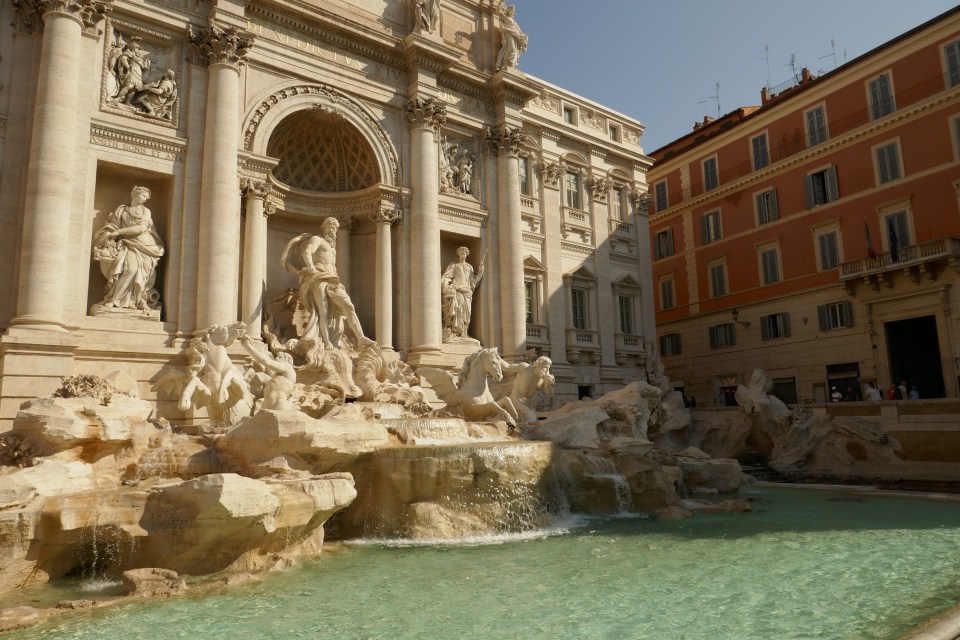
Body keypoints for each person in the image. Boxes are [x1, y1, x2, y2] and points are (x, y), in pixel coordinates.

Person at [281, 218, 373, 351]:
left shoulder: (333, 248)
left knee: (349, 306)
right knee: (323, 312)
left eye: (335, 227)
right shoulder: (317, 239)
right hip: (318, 277)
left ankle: (361, 338)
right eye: (330, 226)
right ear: (323, 227)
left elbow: (333, 267)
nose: (333, 229)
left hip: (333, 280)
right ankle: (327, 342)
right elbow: (306, 252)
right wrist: (311, 265)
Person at [92, 186, 165, 311]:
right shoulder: (121, 210)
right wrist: (110, 234)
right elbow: (112, 225)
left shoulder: (146, 211)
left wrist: (119, 232)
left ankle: (124, 300)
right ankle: (119, 300)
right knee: (126, 269)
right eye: (143, 195)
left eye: (146, 197)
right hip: (126, 243)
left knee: (132, 270)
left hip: (144, 246)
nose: (145, 199)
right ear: (135, 194)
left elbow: (141, 229)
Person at [237, 324, 296, 411]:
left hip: (279, 406)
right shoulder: (277, 377)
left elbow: (267, 362)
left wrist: (247, 346)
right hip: (267, 406)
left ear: (287, 359)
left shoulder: (287, 368)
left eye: (279, 357)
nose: (276, 359)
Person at [441, 246, 484, 342]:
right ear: (458, 254)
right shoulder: (454, 265)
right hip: (457, 290)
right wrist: (446, 286)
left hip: (467, 292)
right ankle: (456, 333)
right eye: (461, 253)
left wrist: (480, 272)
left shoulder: (469, 267)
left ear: (466, 255)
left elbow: (473, 283)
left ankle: (464, 332)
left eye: (464, 253)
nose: (462, 255)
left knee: (467, 313)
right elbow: (447, 276)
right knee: (458, 311)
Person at [502, 356, 555, 425]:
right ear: (538, 365)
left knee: (539, 418)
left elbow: (550, 395)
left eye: (548, 368)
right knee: (532, 419)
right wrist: (496, 358)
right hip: (516, 400)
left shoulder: (542, 379)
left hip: (529, 406)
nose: (547, 371)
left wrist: (548, 384)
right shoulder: (525, 368)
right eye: (545, 368)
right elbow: (507, 367)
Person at [113, 39, 151, 104]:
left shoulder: (139, 57)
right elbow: (123, 58)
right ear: (134, 48)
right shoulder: (129, 53)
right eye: (138, 48)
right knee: (130, 85)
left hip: (138, 72)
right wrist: (127, 66)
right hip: (132, 70)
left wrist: (145, 61)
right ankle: (118, 98)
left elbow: (145, 67)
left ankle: (128, 102)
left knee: (134, 89)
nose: (138, 50)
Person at [495, 4, 527, 70]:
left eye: (512, 10)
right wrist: (499, 2)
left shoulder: (514, 22)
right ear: (507, 11)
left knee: (514, 49)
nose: (511, 11)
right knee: (511, 48)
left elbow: (519, 30)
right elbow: (498, 11)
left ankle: (510, 63)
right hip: (508, 32)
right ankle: (505, 63)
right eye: (510, 10)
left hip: (515, 34)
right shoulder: (505, 17)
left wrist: (523, 36)